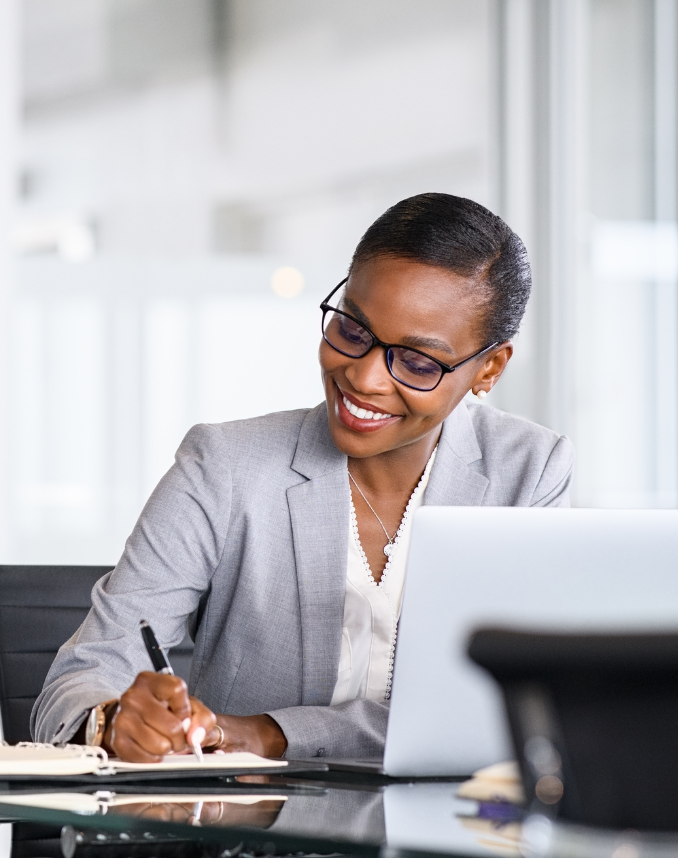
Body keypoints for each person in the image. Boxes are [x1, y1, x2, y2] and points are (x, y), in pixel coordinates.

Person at [32, 193, 573, 768]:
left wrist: (271, 734)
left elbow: (507, 715)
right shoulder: (226, 466)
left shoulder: (529, 473)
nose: (363, 377)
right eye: (352, 329)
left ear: (488, 368)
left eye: (416, 362)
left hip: (445, 848)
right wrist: (111, 720)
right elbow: (80, 678)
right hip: (238, 841)